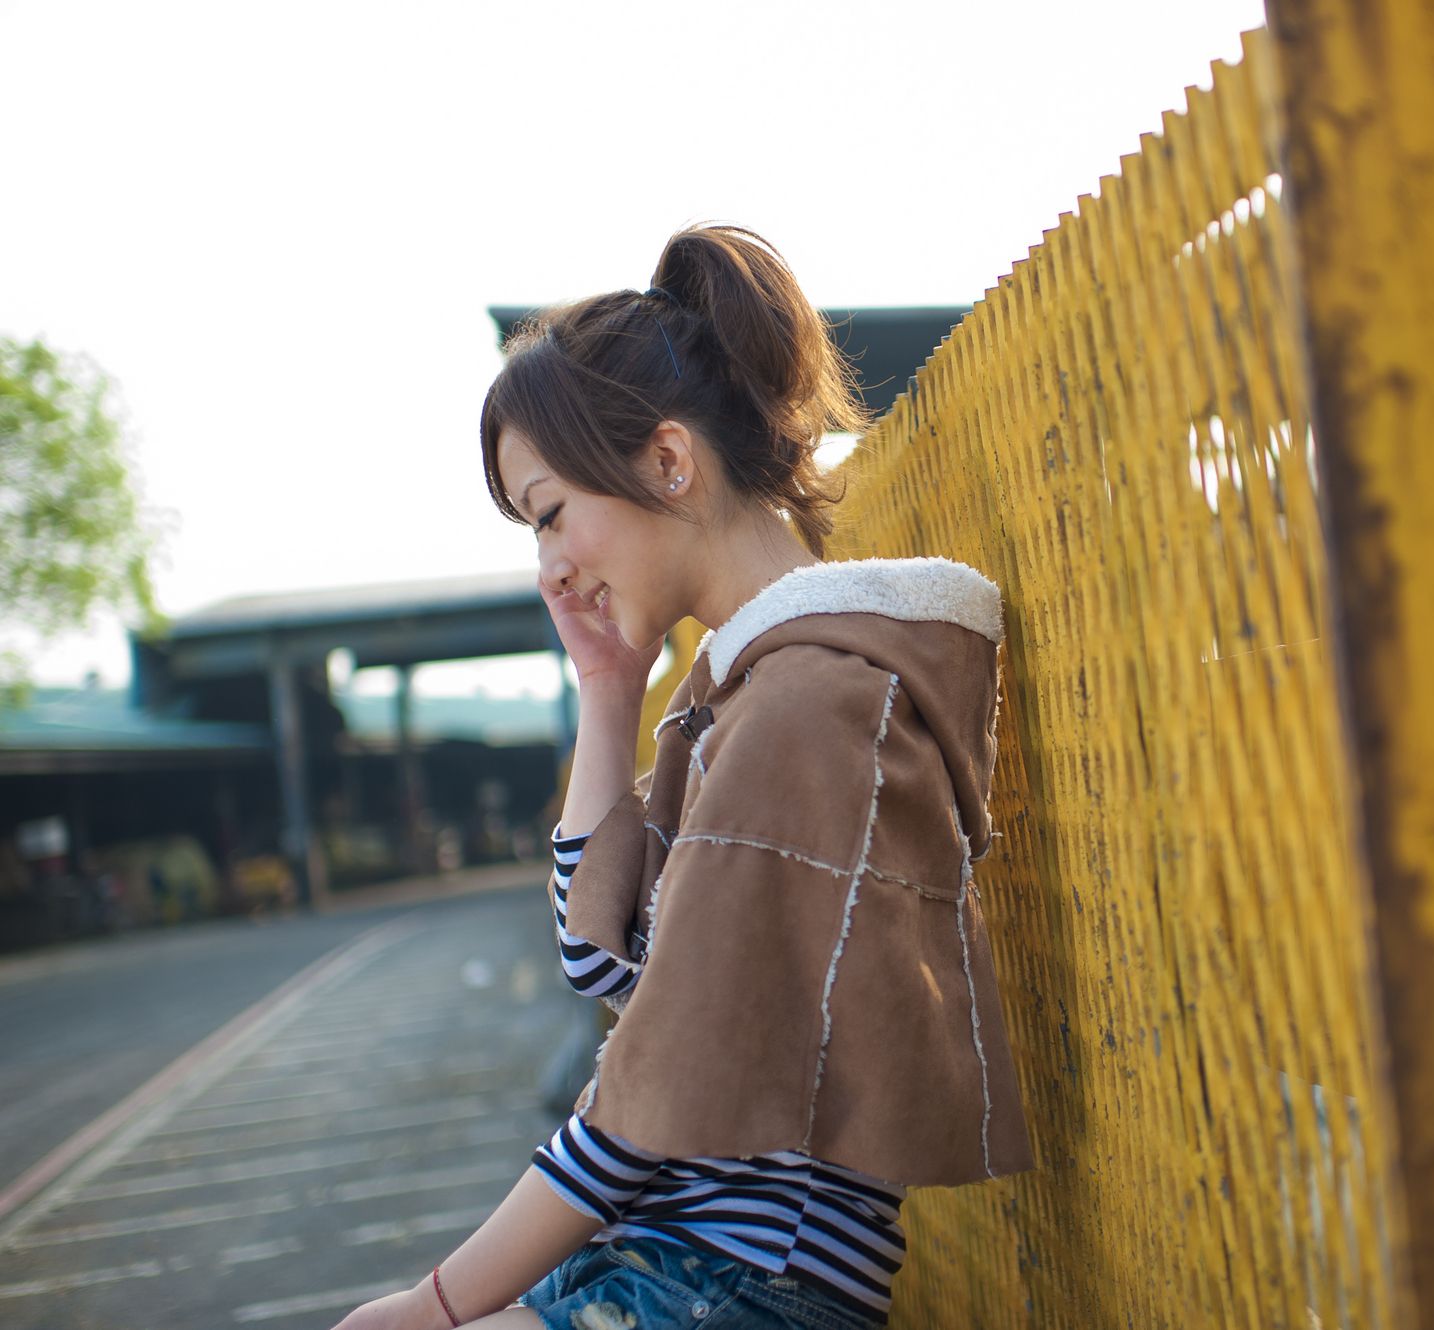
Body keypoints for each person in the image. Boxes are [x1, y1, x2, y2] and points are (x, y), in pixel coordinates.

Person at [330, 223, 1034, 1330]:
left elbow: (641, 1098)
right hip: (674, 1260)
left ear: (668, 461)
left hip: (739, 1283)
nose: (549, 564)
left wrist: (435, 1301)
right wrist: (609, 689)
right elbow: (597, 960)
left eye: (551, 511)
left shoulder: (807, 708)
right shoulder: (741, 693)